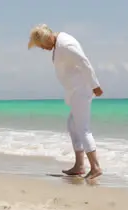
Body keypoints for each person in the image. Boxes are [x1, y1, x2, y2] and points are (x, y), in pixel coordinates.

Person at [27, 24, 104, 179]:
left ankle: (95, 167)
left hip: (81, 90)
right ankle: (79, 166)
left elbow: (84, 62)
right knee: (73, 125)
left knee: (82, 129)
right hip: (75, 90)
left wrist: (95, 85)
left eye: (42, 46)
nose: (43, 49)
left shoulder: (65, 45)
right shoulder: (58, 43)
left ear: (48, 38)